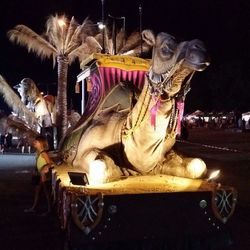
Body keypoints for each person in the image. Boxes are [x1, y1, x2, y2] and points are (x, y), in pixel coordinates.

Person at [24, 136, 54, 215]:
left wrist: (45, 168)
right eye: (35, 141)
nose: (34, 143)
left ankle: (49, 210)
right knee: (37, 191)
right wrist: (35, 170)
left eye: (36, 142)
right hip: (38, 174)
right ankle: (34, 208)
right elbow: (38, 163)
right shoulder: (38, 153)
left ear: (41, 143)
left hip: (43, 175)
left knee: (46, 192)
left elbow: (51, 163)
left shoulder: (43, 153)